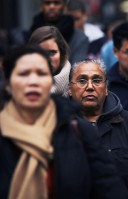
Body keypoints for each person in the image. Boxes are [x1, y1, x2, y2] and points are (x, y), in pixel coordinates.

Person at [0, 46, 121, 199]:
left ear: (51, 84)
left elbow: (110, 189)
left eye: (41, 73)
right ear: (9, 85)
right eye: (23, 74)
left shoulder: (78, 131)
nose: (33, 81)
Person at [68, 59, 128, 199]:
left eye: (97, 80)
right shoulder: (59, 126)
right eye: (82, 80)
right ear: (69, 89)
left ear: (106, 89)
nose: (90, 87)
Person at [28, 0, 89, 64]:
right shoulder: (30, 35)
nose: (52, 6)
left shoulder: (79, 38)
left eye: (56, 3)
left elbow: (77, 68)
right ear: (41, 6)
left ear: (64, 7)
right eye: (47, 3)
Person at [28, 26, 70, 97]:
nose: (47, 59)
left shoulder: (76, 87)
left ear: (61, 54)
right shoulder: (20, 88)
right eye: (40, 53)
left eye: (52, 53)